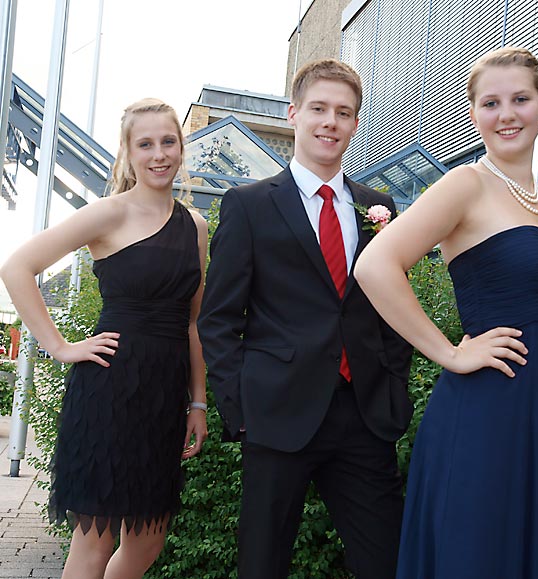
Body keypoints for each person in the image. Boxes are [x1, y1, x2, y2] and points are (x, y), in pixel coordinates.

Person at [354, 47, 538, 578]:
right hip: (490, 412)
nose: (506, 113)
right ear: (474, 113)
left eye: (520, 98)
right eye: (490, 102)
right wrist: (449, 352)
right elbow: (375, 265)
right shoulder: (465, 185)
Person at [198, 58, 414, 579]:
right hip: (276, 415)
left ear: (355, 124)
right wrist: (240, 406)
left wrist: (391, 382)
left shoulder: (377, 206)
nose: (330, 122)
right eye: (318, 108)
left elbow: (393, 306)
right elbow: (220, 318)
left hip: (363, 416)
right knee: (262, 562)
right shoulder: (248, 205)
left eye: (343, 113)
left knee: (386, 561)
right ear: (294, 113)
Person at [0, 98, 208, 579]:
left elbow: (192, 322)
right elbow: (17, 267)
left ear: (181, 147)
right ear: (128, 152)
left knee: (149, 539)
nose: (159, 154)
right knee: (95, 541)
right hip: (108, 390)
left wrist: (196, 402)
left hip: (163, 395)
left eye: (168, 142)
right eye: (146, 144)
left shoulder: (195, 227)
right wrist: (60, 347)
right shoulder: (108, 214)